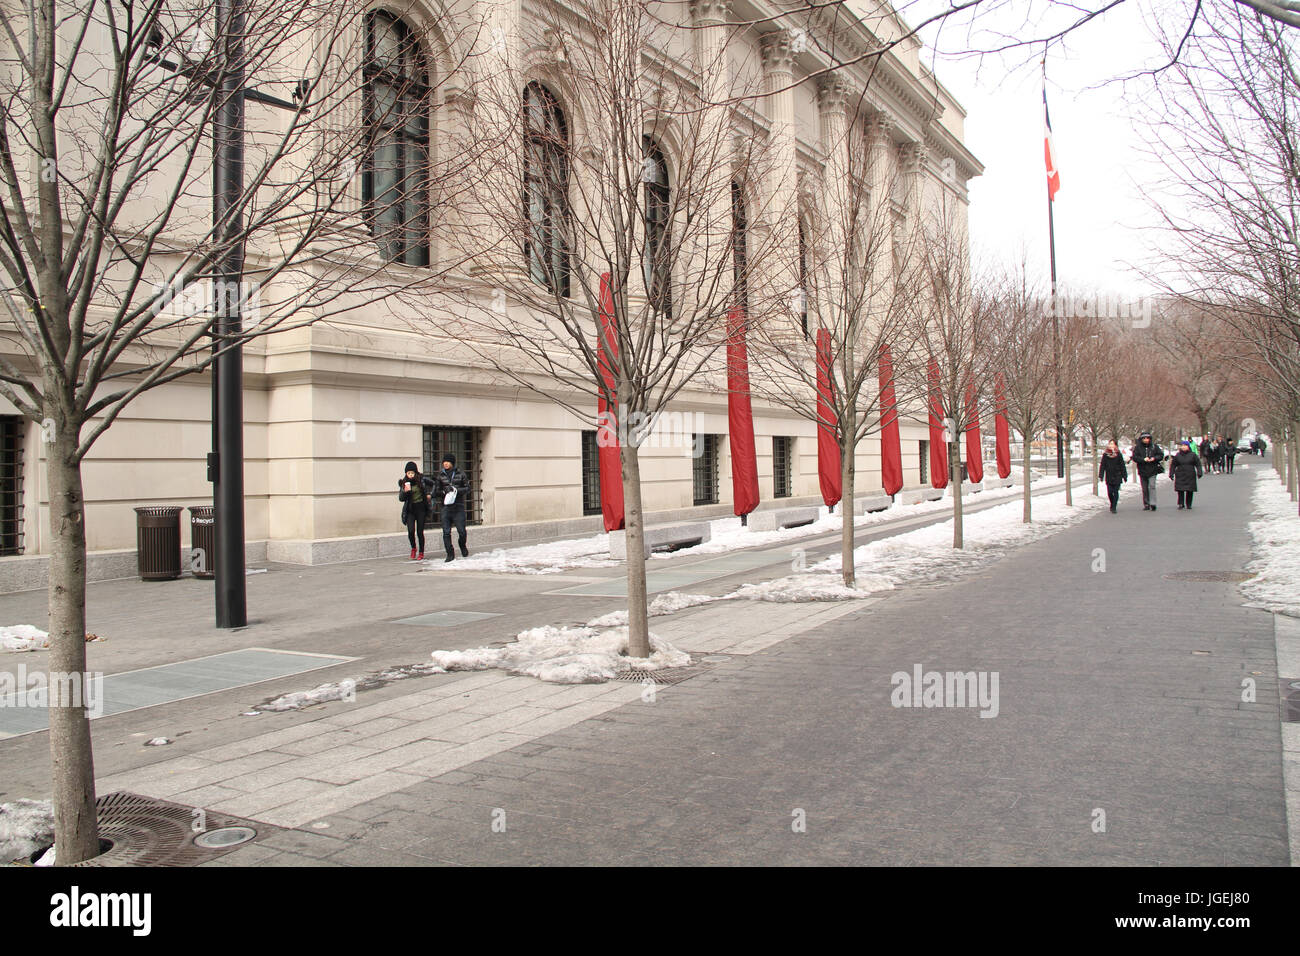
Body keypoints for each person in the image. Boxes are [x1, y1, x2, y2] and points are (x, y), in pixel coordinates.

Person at [433, 453, 471, 562]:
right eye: (444, 462)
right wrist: (444, 491)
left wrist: (456, 490)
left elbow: (468, 488)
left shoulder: (461, 474)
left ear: (452, 463)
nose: (445, 463)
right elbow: (436, 492)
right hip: (446, 507)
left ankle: (462, 545)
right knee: (446, 532)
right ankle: (450, 553)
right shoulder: (440, 475)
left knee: (462, 531)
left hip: (458, 506)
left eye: (448, 462)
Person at [398, 461, 435, 561]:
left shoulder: (422, 479)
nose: (410, 475)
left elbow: (434, 484)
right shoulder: (404, 482)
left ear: (415, 472)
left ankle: (421, 552)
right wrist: (405, 492)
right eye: (408, 473)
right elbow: (401, 498)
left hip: (421, 508)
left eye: (412, 473)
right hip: (410, 509)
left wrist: (430, 494)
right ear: (406, 473)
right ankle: (413, 548)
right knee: (410, 531)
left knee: (420, 532)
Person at [1130, 432, 1165, 511]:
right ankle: (1146, 503)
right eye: (1144, 438)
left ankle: (1153, 503)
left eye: (1147, 438)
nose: (1146, 440)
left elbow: (1160, 455)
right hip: (1142, 470)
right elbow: (1135, 457)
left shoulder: (1154, 447)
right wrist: (1143, 459)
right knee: (1145, 488)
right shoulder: (1138, 448)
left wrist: (1154, 458)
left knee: (1152, 486)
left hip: (1153, 470)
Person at [1169, 440, 1203, 509]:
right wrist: (1171, 473)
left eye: (1185, 445)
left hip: (1190, 474)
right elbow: (1173, 465)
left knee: (1190, 490)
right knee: (1180, 490)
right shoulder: (1177, 455)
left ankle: (1189, 504)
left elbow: (1198, 464)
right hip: (1180, 474)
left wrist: (1199, 472)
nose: (1183, 447)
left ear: (1188, 446)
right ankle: (1181, 503)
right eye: (1182, 446)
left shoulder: (1193, 455)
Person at [1098, 439, 1128, 513]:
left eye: (1113, 444)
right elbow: (1102, 465)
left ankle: (1114, 506)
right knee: (1110, 492)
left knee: (1115, 491)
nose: (1111, 445)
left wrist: (1124, 476)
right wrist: (1101, 475)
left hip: (1117, 475)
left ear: (1115, 445)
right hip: (1109, 475)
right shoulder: (1105, 455)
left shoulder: (1118, 454)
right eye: (1110, 444)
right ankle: (1112, 503)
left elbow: (1122, 465)